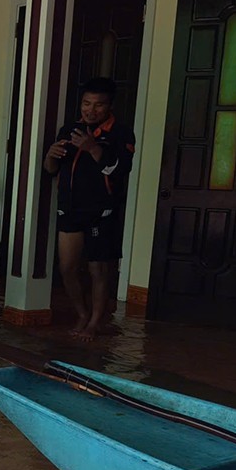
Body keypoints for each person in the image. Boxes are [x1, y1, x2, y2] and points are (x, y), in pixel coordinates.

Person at [44, 77, 136, 340]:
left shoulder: (121, 133)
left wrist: (93, 148)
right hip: (70, 208)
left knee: (99, 270)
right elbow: (51, 170)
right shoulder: (69, 130)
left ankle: (95, 321)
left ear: (109, 106)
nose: (91, 110)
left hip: (102, 211)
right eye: (86, 104)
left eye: (98, 105)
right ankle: (82, 313)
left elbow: (119, 170)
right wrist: (50, 155)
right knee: (67, 268)